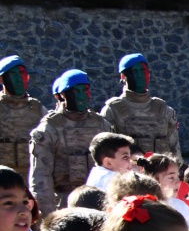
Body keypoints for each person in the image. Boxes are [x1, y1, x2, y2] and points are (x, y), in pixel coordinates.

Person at [29, 70, 110, 214]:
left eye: (84, 90)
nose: (81, 96)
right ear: (62, 95)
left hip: (100, 201)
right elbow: (41, 178)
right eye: (75, 91)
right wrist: (50, 215)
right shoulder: (50, 129)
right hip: (65, 203)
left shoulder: (101, 125)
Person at [99, 54, 179, 158]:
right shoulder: (112, 110)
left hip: (160, 172)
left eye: (143, 71)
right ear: (123, 76)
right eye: (135, 72)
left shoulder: (164, 110)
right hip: (128, 173)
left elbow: (175, 149)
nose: (141, 75)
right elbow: (106, 152)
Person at [0, 56, 44, 175]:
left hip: (30, 181)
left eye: (22, 74)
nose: (19, 79)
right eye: (14, 75)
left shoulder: (38, 109)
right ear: (1, 79)